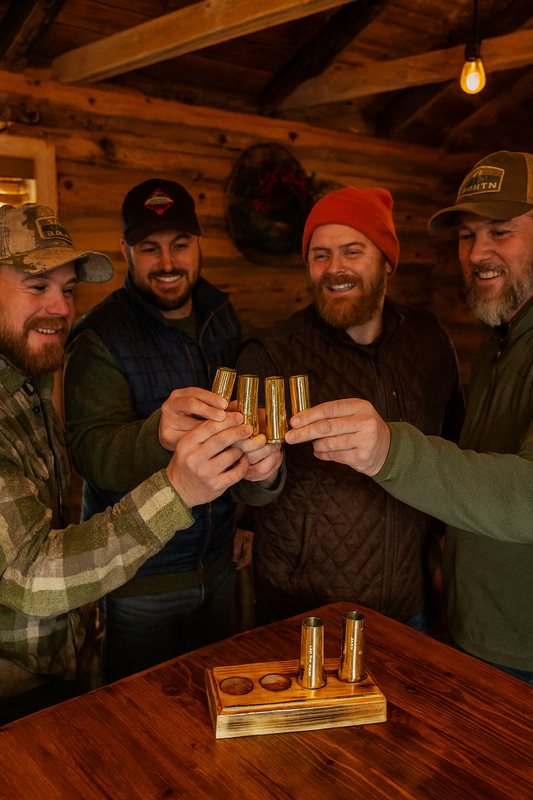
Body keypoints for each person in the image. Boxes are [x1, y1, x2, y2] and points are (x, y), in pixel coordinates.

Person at [0, 202, 258, 724]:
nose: (59, 308)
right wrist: (177, 485)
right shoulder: (100, 335)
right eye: (36, 286)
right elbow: (30, 575)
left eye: (68, 290)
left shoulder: (23, 387)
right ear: (128, 253)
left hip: (64, 656)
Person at [284, 151, 533, 684]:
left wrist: (390, 452)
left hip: (518, 646)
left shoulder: (432, 339)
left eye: (501, 233)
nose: (478, 253)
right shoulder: (498, 342)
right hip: (465, 625)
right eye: (467, 237)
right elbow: (470, 459)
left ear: (385, 261)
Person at [64, 179, 282, 683]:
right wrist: (154, 436)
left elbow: (245, 431)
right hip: (141, 580)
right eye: (149, 248)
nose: (167, 262)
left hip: (222, 565)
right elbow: (91, 453)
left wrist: (248, 512)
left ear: (199, 245)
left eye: (180, 245)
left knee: (213, 714)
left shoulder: (222, 317)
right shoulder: (100, 334)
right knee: (141, 729)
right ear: (126, 252)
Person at [236, 186, 464, 628]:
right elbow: (245, 490)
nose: (334, 268)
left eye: (352, 251)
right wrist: (258, 476)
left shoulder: (429, 339)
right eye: (320, 255)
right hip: (301, 609)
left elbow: (453, 444)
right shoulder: (271, 353)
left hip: (406, 603)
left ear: (386, 260)